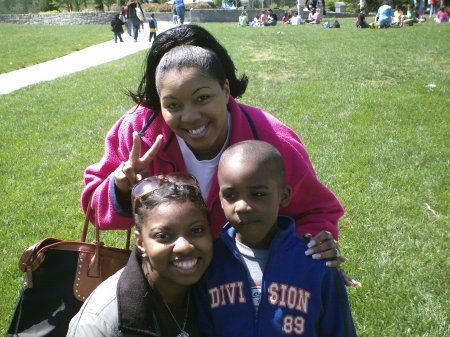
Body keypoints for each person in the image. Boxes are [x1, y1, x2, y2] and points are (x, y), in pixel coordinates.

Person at [81, 24, 359, 286]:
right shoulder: (139, 133)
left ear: (224, 88)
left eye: (202, 97)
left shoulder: (271, 141)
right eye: (174, 103)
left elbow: (316, 211)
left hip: (246, 278)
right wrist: (119, 186)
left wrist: (310, 247)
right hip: (165, 276)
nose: (190, 116)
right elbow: (94, 208)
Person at [195, 140, 357, 336]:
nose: (242, 206)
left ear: (284, 196)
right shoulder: (211, 263)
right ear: (220, 200)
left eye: (257, 194)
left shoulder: (315, 262)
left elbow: (339, 329)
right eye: (230, 196)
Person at [67, 173, 213, 337]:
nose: (184, 247)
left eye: (196, 231)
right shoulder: (101, 325)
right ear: (141, 243)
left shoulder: (221, 283)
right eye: (163, 236)